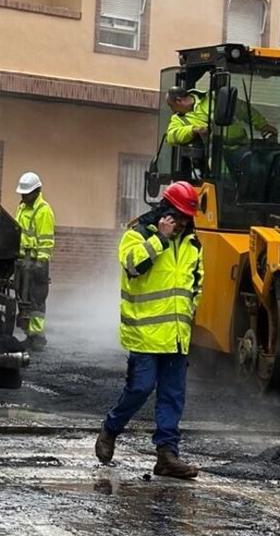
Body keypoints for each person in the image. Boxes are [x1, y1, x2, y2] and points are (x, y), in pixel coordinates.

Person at [95, 181, 203, 480]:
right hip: (144, 334)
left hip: (177, 337)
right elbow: (132, 266)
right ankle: (111, 428)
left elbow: (196, 282)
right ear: (164, 212)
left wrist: (189, 313)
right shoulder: (138, 235)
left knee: (172, 395)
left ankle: (167, 456)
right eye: (177, 216)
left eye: (186, 218)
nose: (182, 223)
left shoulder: (193, 244)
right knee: (140, 389)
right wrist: (161, 240)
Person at [14, 172, 55, 351]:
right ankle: (29, 333)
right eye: (22, 193)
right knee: (22, 297)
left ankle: (37, 336)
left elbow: (46, 239)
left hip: (37, 261)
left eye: (27, 193)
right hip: (22, 259)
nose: (23, 196)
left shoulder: (44, 210)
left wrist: (41, 261)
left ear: (37, 191)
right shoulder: (22, 207)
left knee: (36, 299)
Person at [163, 86, 277, 147]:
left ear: (179, 101)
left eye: (171, 106)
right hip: (216, 155)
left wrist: (262, 125)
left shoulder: (213, 98)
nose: (172, 110)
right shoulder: (178, 118)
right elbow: (171, 136)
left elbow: (242, 109)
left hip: (242, 146)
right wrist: (193, 130)